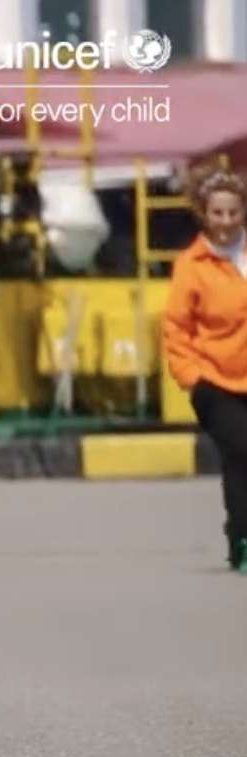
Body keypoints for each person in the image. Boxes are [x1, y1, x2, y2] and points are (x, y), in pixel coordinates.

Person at [163, 166, 247, 572]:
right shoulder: (192, 265)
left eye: (233, 213)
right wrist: (192, 380)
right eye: (219, 214)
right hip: (215, 382)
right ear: (205, 215)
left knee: (237, 462)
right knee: (242, 448)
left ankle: (239, 536)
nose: (227, 223)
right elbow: (176, 328)